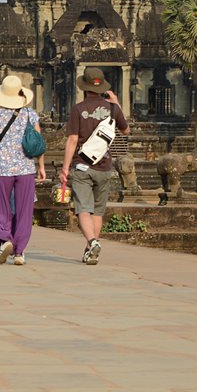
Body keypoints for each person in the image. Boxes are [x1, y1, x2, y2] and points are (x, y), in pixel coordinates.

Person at [61, 66, 130, 265]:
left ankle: (92, 242)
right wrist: (116, 103)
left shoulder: (78, 109)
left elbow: (72, 140)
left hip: (82, 165)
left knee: (84, 209)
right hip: (105, 166)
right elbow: (126, 130)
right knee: (98, 211)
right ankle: (91, 249)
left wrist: (65, 168)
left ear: (84, 87)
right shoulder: (113, 109)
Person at [0, 75, 47, 266]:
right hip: (26, 167)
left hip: (3, 167)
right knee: (24, 210)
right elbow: (38, 142)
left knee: (2, 207)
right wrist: (41, 166)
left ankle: (6, 239)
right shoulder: (30, 114)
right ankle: (19, 252)